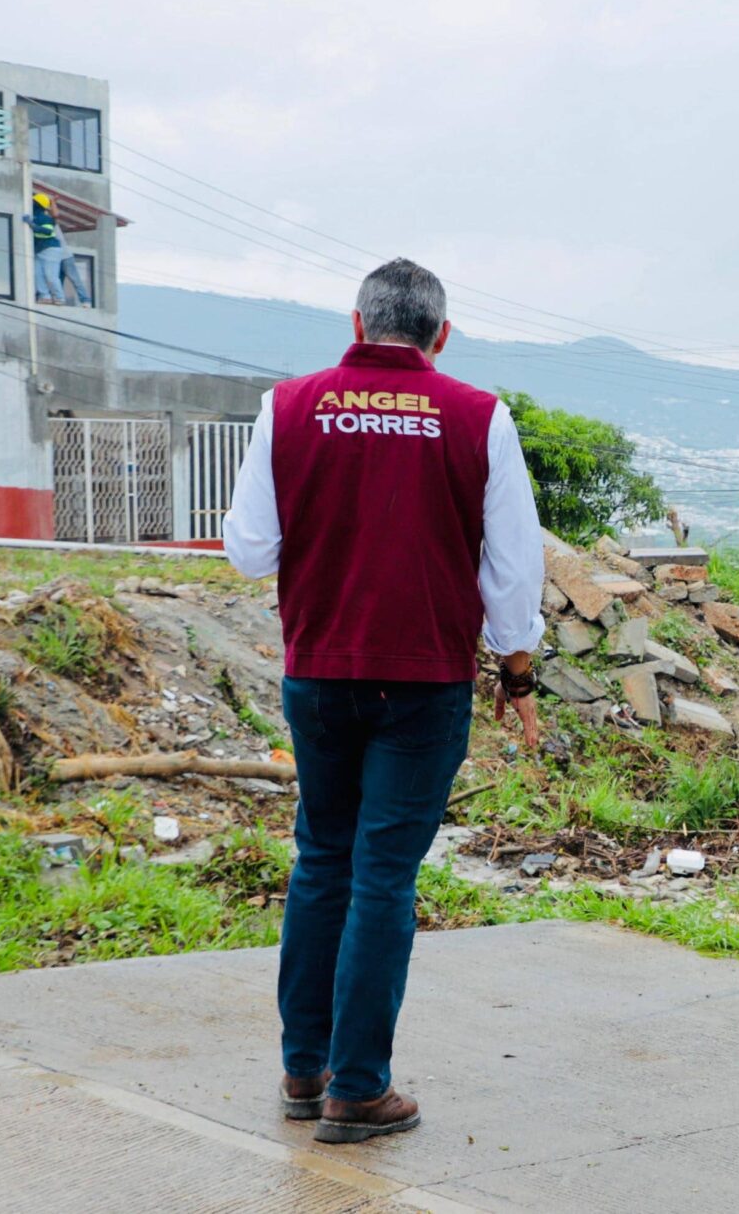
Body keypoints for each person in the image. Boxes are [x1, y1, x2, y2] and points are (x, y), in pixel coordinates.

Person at [222, 258, 545, 1145]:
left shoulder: (288, 406)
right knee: (384, 877)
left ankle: (304, 1070)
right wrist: (517, 672)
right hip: (426, 681)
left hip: (318, 674)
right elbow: (513, 570)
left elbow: (249, 550)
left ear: (357, 325)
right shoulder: (480, 416)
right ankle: (358, 1090)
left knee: (322, 858)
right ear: (441, 336)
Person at [26, 192, 72, 305]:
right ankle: (45, 296)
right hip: (40, 251)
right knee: (37, 274)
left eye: (33, 202)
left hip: (51, 249)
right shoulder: (36, 217)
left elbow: (47, 231)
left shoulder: (45, 218)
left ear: (37, 205)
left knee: (51, 276)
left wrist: (31, 224)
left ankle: (59, 297)